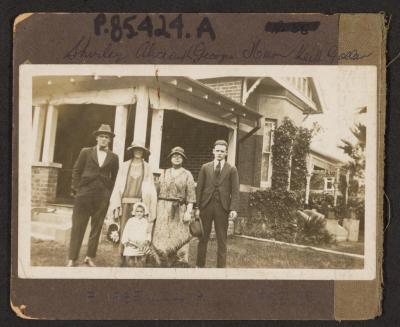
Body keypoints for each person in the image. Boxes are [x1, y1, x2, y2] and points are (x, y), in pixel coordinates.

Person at [67, 124, 119, 267]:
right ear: (97, 138)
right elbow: (77, 170)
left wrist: (108, 193)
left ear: (109, 140)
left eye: (106, 137)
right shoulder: (86, 152)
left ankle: (90, 257)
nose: (103, 139)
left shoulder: (114, 157)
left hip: (102, 196)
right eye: (101, 136)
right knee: (78, 226)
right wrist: (77, 190)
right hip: (84, 194)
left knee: (96, 227)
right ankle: (72, 258)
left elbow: (115, 177)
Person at [107, 141, 157, 266]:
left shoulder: (147, 167)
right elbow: (118, 185)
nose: (138, 152)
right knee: (123, 231)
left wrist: (149, 207)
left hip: (139, 207)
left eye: (141, 150)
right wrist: (116, 203)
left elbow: (150, 189)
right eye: (136, 149)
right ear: (132, 151)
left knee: (138, 231)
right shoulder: (124, 166)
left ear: (144, 152)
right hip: (124, 205)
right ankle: (121, 259)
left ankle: (138, 259)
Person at [196, 140, 240, 268]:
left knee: (222, 239)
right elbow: (199, 188)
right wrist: (197, 207)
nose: (219, 153)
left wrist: (233, 208)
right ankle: (199, 266)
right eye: (217, 150)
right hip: (206, 206)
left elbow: (235, 191)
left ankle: (220, 269)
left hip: (222, 208)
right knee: (203, 237)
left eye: (222, 151)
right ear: (213, 151)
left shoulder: (231, 169)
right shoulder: (205, 167)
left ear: (226, 153)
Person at [152, 146, 196, 266]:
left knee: (179, 236)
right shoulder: (164, 173)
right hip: (162, 209)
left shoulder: (188, 174)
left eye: (179, 156)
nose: (177, 158)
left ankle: (179, 262)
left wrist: (188, 211)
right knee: (162, 235)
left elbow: (191, 196)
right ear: (170, 158)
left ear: (183, 159)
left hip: (179, 210)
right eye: (174, 156)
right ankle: (160, 261)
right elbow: (156, 192)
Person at [120, 202, 151, 267]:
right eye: (137, 211)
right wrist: (127, 242)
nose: (139, 213)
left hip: (141, 245)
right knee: (130, 262)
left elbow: (148, 233)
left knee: (141, 262)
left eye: (141, 211)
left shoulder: (145, 222)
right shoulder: (130, 221)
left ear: (144, 212)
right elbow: (126, 232)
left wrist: (146, 241)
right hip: (131, 244)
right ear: (134, 212)